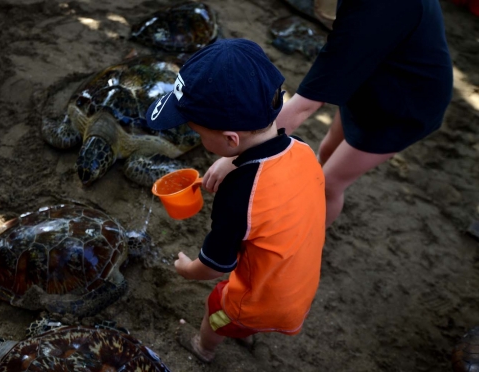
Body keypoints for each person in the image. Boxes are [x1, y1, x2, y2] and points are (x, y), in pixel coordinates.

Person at [146, 38, 326, 363]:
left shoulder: (239, 194)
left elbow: (215, 265)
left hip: (262, 300)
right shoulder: (301, 149)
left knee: (218, 309)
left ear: (231, 139)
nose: (198, 139)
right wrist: (233, 160)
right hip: (297, 286)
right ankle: (248, 330)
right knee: (247, 312)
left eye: (199, 133)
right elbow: (264, 171)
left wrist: (188, 271)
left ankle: (204, 348)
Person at [205, 0, 454, 228]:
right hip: (370, 79)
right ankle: (303, 205)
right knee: (326, 152)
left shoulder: (378, 9)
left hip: (404, 107)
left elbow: (305, 105)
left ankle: (304, 243)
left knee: (329, 185)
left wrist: (236, 159)